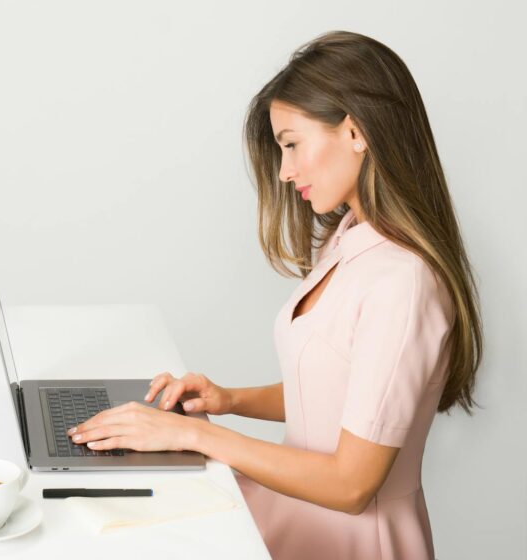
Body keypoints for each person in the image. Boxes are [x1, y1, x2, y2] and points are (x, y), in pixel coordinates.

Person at [67, 30, 483, 559]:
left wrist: (198, 437)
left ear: (355, 131)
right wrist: (227, 399)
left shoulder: (403, 282)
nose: (285, 172)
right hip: (294, 515)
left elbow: (352, 486)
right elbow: (337, 393)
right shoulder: (349, 239)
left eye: (291, 144)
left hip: (355, 540)